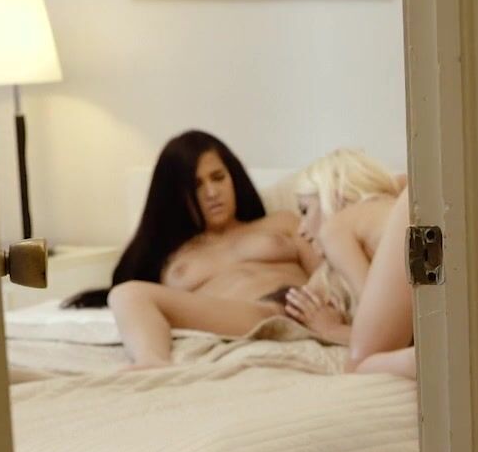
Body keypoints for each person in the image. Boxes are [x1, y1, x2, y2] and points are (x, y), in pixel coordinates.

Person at [67, 130, 317, 368]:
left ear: (233, 177)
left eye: (218, 177)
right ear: (177, 194)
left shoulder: (283, 222)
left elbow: (326, 274)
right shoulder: (169, 257)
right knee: (125, 294)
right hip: (243, 318)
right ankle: (153, 363)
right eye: (196, 184)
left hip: (294, 308)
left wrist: (328, 318)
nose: (212, 192)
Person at [282, 148, 404, 348]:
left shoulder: (336, 228)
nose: (301, 230)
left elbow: (385, 337)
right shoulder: (394, 209)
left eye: (305, 211)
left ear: (335, 196)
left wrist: (329, 330)